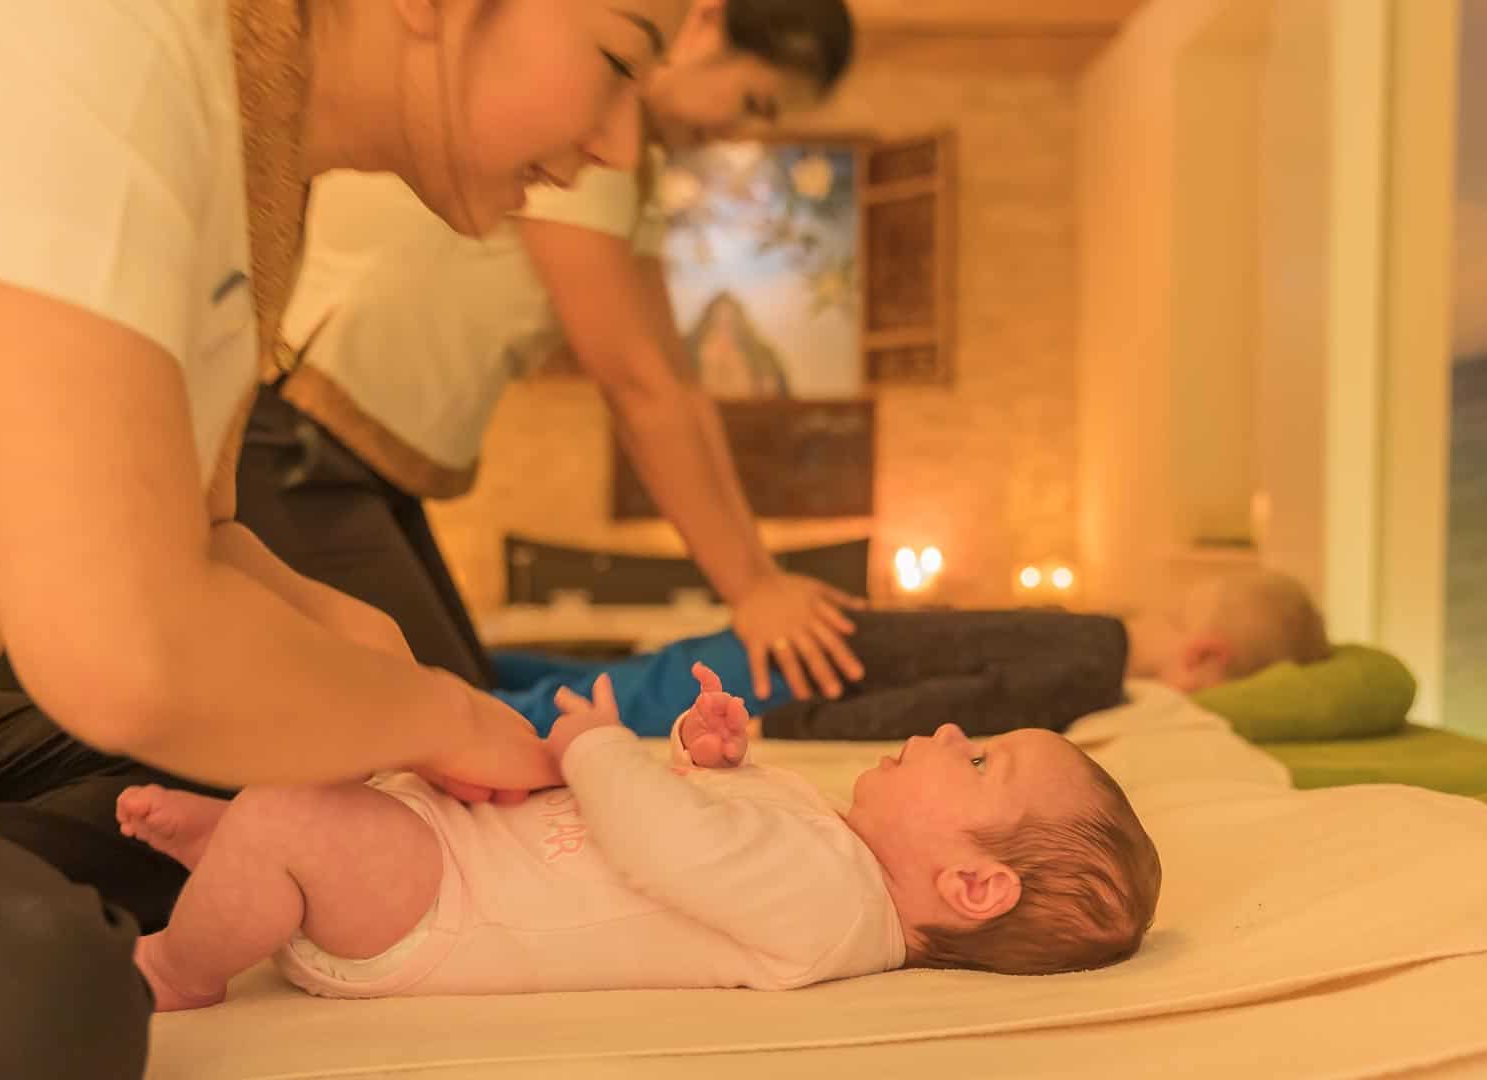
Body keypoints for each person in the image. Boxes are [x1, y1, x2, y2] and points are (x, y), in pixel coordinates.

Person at [0, 1, 688, 1074]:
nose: (619, 143)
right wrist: (433, 714)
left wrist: (360, 658)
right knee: (48, 992)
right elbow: (125, 651)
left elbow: (195, 532)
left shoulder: (251, 144)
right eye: (617, 60)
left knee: (279, 787)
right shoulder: (86, 33)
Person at [230, 0, 862, 705]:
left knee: (470, 698)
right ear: (705, 23)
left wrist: (760, 580)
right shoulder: (571, 136)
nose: (735, 131)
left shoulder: (627, 166)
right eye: (751, 101)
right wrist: (753, 590)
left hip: (352, 459)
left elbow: (674, 382)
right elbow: (637, 381)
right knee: (451, 720)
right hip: (298, 439)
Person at [121, 665, 1162, 1010]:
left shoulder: (838, 911)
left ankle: (183, 961)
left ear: (973, 887)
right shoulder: (830, 845)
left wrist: (599, 750)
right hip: (459, 847)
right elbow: (710, 827)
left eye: (977, 762)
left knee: (296, 822)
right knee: (352, 751)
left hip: (439, 913)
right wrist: (708, 759)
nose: (945, 731)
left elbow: (679, 853)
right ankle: (243, 856)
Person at [490, 568, 1332, 740]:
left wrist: (802, 719)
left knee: (571, 692)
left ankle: (440, 685)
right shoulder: (1088, 651)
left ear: (1201, 659)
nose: (1149, 604)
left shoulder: (1088, 661)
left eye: (1173, 608)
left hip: (780, 673)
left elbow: (947, 705)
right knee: (572, 698)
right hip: (779, 661)